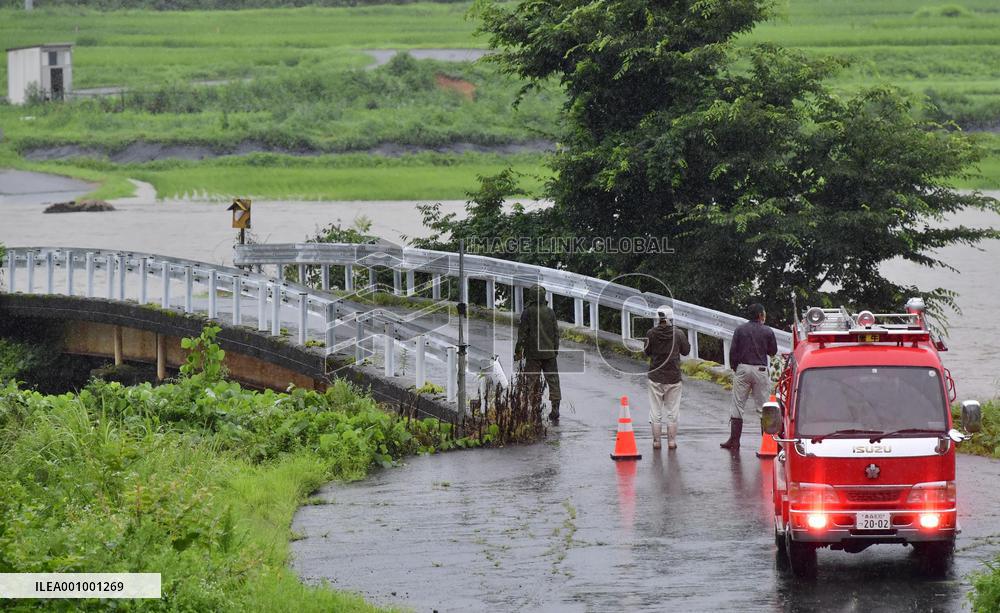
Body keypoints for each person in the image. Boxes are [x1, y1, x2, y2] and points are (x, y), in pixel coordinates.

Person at [720, 303, 778, 449]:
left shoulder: (740, 330)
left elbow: (733, 352)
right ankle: (767, 443)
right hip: (761, 370)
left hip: (743, 368)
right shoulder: (768, 331)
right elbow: (772, 351)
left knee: (738, 405)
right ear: (760, 315)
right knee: (763, 407)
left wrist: (735, 367)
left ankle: (734, 441)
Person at [644, 306, 691, 449]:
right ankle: (671, 442)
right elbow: (686, 350)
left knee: (655, 410)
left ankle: (656, 441)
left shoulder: (651, 333)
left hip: (656, 376)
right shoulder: (678, 333)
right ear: (671, 318)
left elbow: (647, 351)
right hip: (674, 377)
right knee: (672, 411)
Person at [514, 285, 561, 423]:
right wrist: (554, 350)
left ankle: (534, 408)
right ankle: (555, 407)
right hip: (549, 354)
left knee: (532, 382)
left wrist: (518, 352)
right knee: (553, 381)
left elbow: (522, 335)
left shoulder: (527, 313)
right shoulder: (550, 313)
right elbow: (556, 334)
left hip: (533, 354)